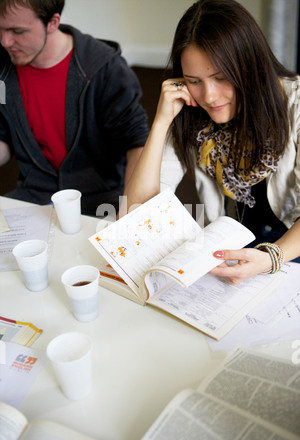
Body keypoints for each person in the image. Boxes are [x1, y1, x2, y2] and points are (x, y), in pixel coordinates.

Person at [123, 0, 300, 285]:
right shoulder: (191, 110)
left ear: (249, 66)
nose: (210, 96)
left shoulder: (295, 105)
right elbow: (136, 212)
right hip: (235, 250)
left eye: (221, 78)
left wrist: (272, 257)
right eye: (194, 81)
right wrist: (160, 122)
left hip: (290, 249)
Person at [0, 0, 149, 215]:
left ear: (53, 22)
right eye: (1, 29)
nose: (5, 41)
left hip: (99, 199)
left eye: (17, 31)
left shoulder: (104, 68)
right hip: (34, 197)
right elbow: (3, 135)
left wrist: (130, 210)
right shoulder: (4, 68)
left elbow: (137, 142)